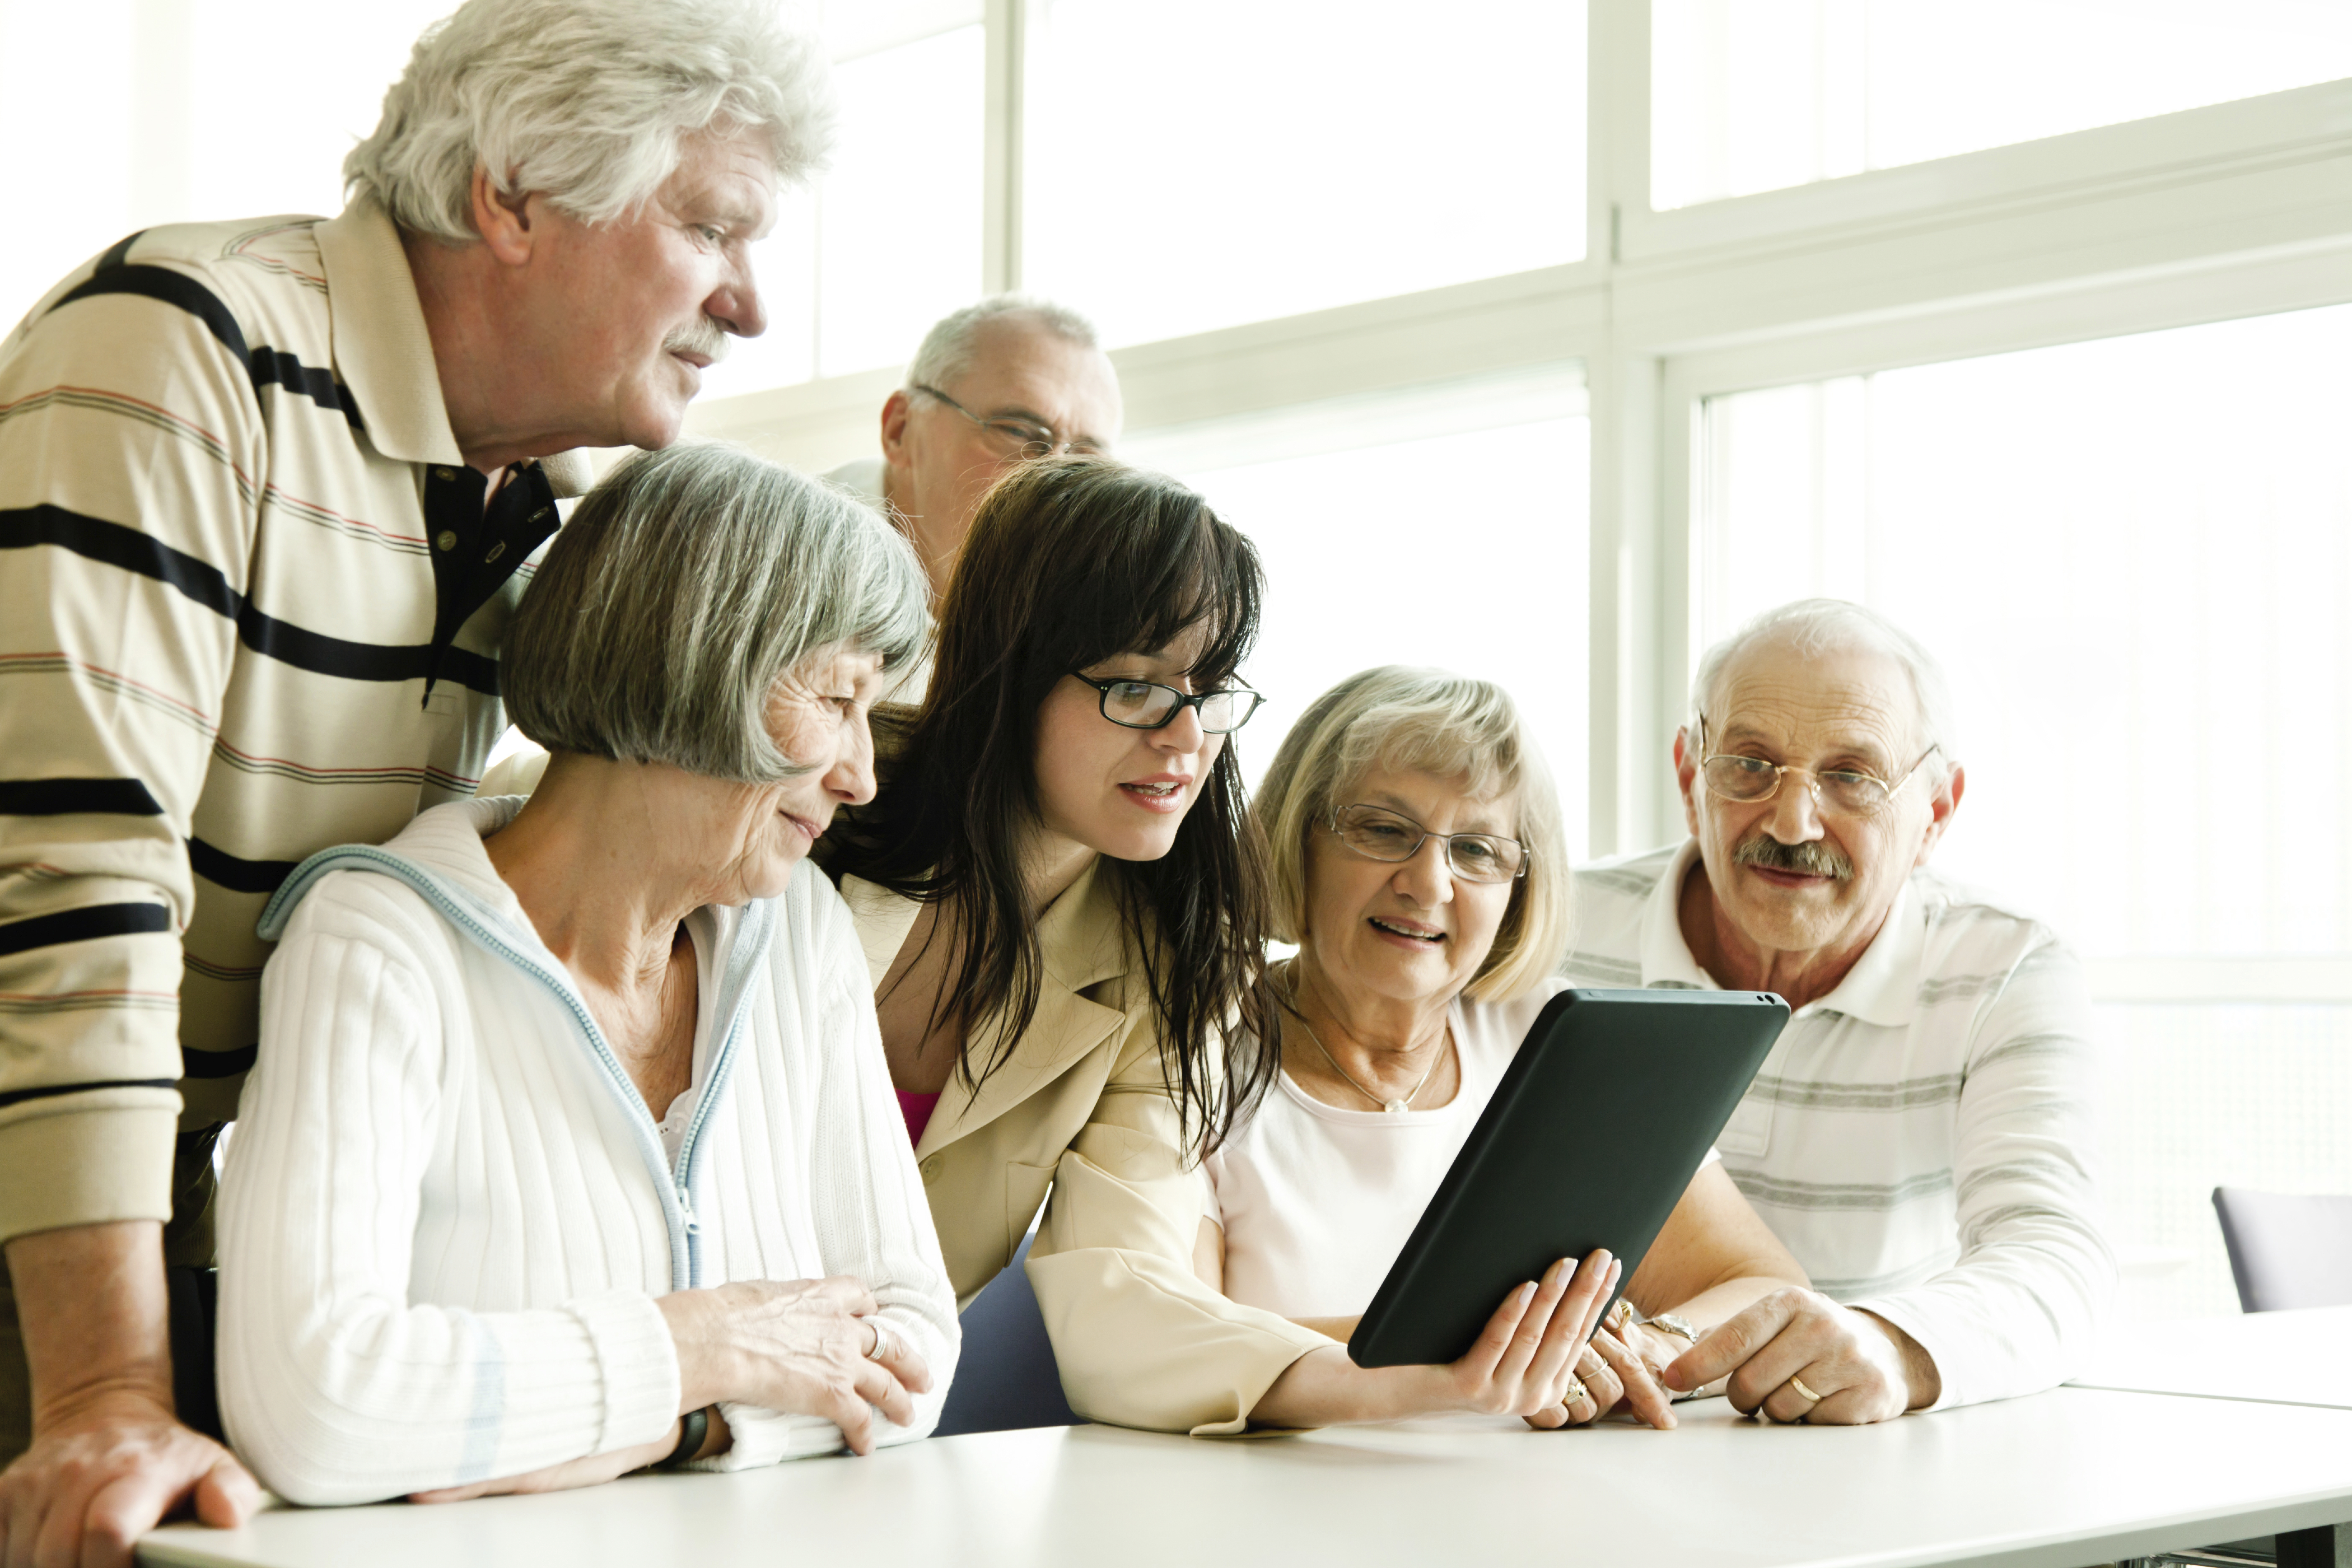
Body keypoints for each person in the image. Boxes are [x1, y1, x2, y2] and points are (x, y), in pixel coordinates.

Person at [0, 0, 824, 1553]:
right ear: (512, 191)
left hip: (153, 1189)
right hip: (44, 1182)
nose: (753, 305)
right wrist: (103, 1382)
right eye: (711, 226)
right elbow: (71, 878)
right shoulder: (188, 343)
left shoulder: (534, 505)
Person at [215, 444, 955, 1505]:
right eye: (836, 700)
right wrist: (705, 1341)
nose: (860, 773)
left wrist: (685, 1429)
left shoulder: (801, 934)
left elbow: (916, 1348)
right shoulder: (376, 943)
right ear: (692, 656)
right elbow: (314, 1404)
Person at [818, 455, 1343, 1435]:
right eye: (1136, 687)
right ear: (1010, 672)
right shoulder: (813, 811)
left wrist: (1389, 1379)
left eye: (1213, 687)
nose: (1186, 738)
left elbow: (1124, 1290)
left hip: (845, 1437)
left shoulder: (1172, 966)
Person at [1202, 666, 1811, 1429]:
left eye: (1478, 851)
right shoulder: (1192, 1052)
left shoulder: (1558, 1038)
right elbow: (1180, 1347)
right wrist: (1488, 1358)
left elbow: (1763, 1286)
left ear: (1518, 887)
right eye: (1384, 830)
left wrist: (1644, 1352)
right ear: (1299, 838)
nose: (1427, 884)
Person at [1562, 599, 2113, 1422]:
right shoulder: (1548, 931)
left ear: (1936, 813)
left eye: (1852, 775)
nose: (1792, 822)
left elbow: (2059, 1261)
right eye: (1749, 764)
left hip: (1853, 1451)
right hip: (1562, 1446)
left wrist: (1891, 1345)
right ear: (1689, 777)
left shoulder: (2006, 969)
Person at [828, 295, 1122, 612]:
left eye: (1086, 459)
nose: (1056, 481)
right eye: (1017, 432)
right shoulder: (780, 564)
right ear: (900, 430)